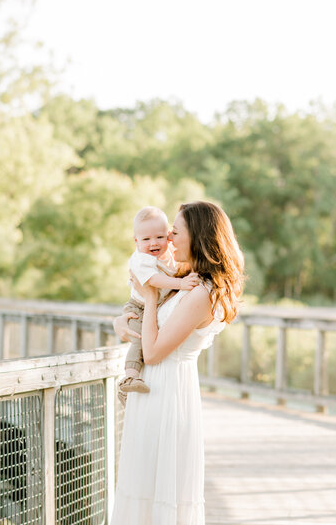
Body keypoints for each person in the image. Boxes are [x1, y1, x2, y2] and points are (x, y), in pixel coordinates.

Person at [111, 201, 244, 525]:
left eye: (175, 231)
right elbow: (146, 318)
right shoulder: (185, 278)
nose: (168, 237)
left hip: (167, 394)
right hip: (154, 391)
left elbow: (154, 352)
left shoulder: (202, 291)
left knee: (159, 490)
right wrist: (121, 320)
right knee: (142, 485)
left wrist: (153, 297)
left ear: (196, 236)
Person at [118, 206, 200, 404]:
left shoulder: (167, 255)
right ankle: (129, 378)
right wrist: (180, 283)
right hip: (138, 307)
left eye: (160, 237)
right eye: (146, 239)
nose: (153, 243)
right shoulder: (141, 260)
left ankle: (131, 379)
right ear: (136, 241)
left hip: (151, 306)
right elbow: (153, 281)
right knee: (139, 340)